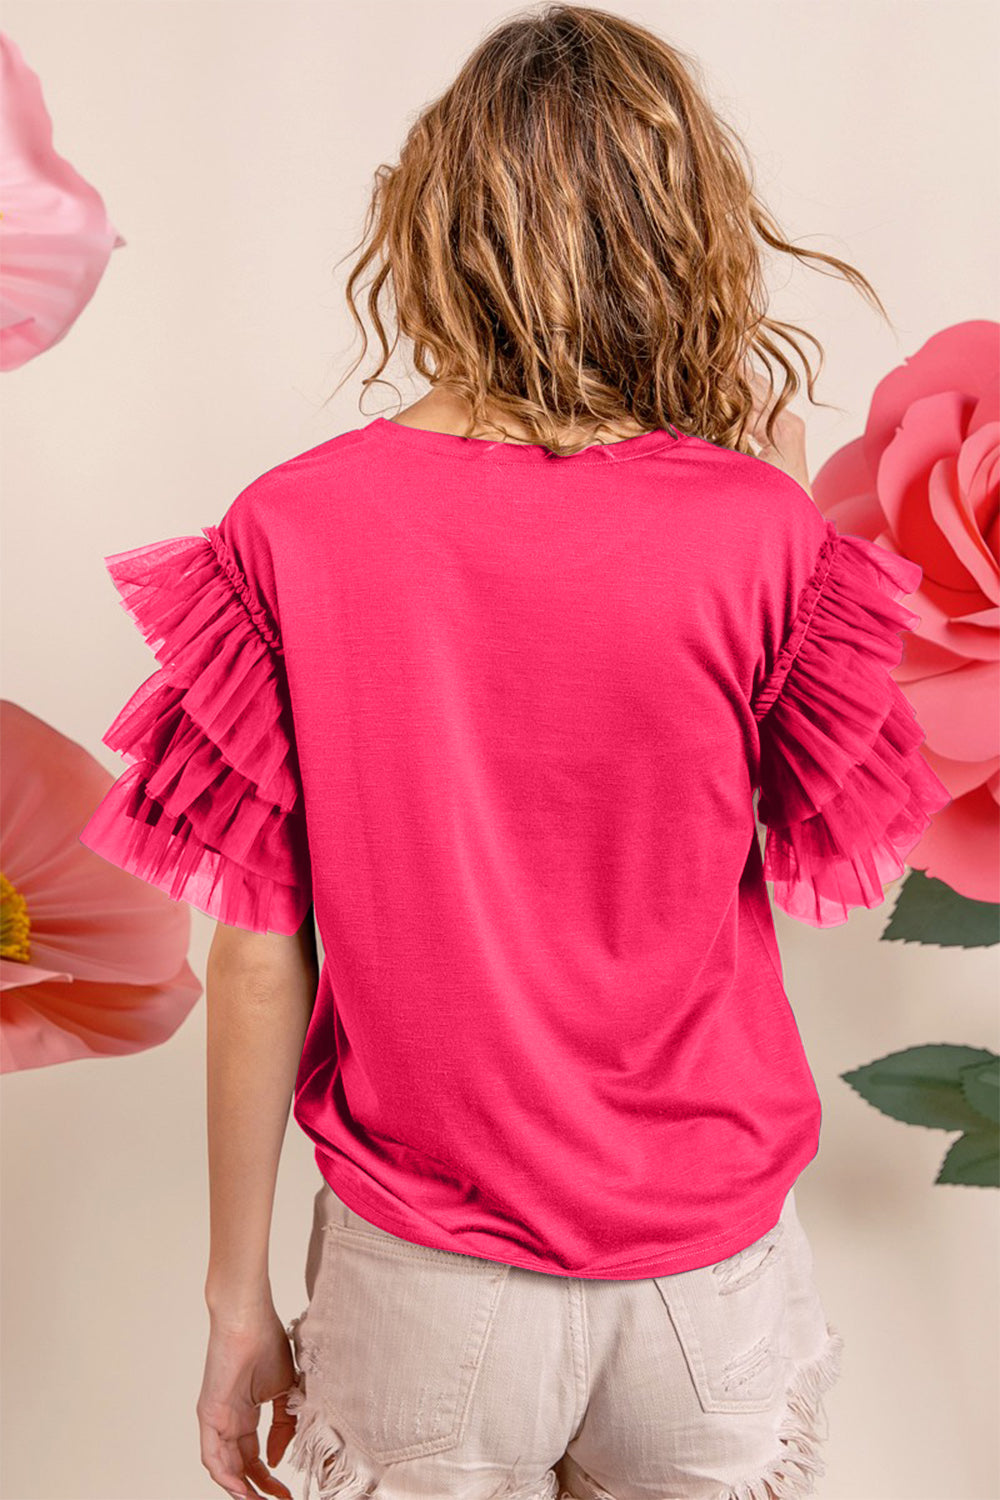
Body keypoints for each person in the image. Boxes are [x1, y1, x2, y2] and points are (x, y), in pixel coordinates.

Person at [77, 6, 952, 1499]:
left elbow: (254, 960)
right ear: (680, 233)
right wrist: (784, 524)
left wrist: (238, 1307)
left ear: (433, 230)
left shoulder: (294, 527)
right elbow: (827, 842)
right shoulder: (756, 532)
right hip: (710, 1284)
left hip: (423, 1280)